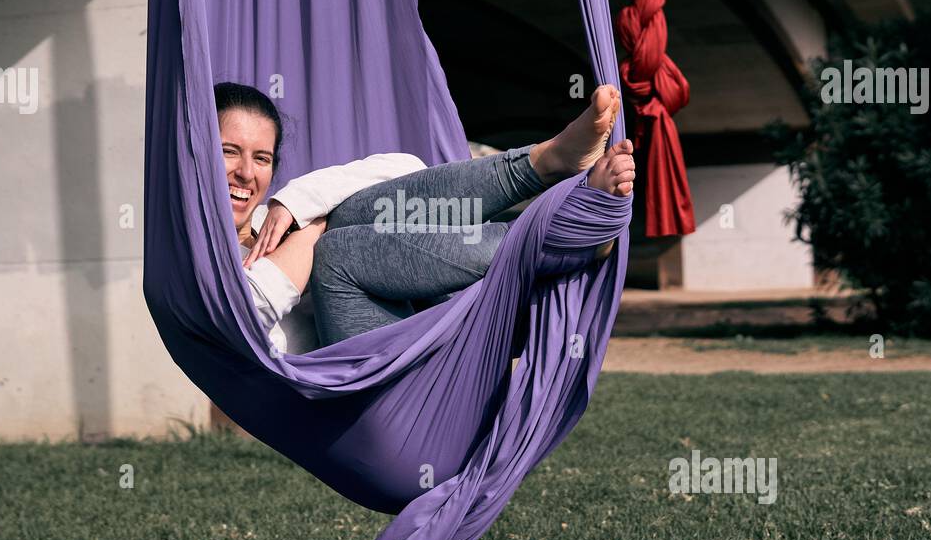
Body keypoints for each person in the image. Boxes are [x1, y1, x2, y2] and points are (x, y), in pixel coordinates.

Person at [217, 81, 634, 354]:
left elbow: (405, 168)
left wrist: (297, 200)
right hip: (365, 390)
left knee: (354, 212)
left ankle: (545, 162)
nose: (247, 173)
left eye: (262, 158)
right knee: (334, 251)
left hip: (432, 332)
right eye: (228, 151)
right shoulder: (197, 262)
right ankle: (551, 239)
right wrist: (314, 225)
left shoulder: (276, 220)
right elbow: (248, 309)